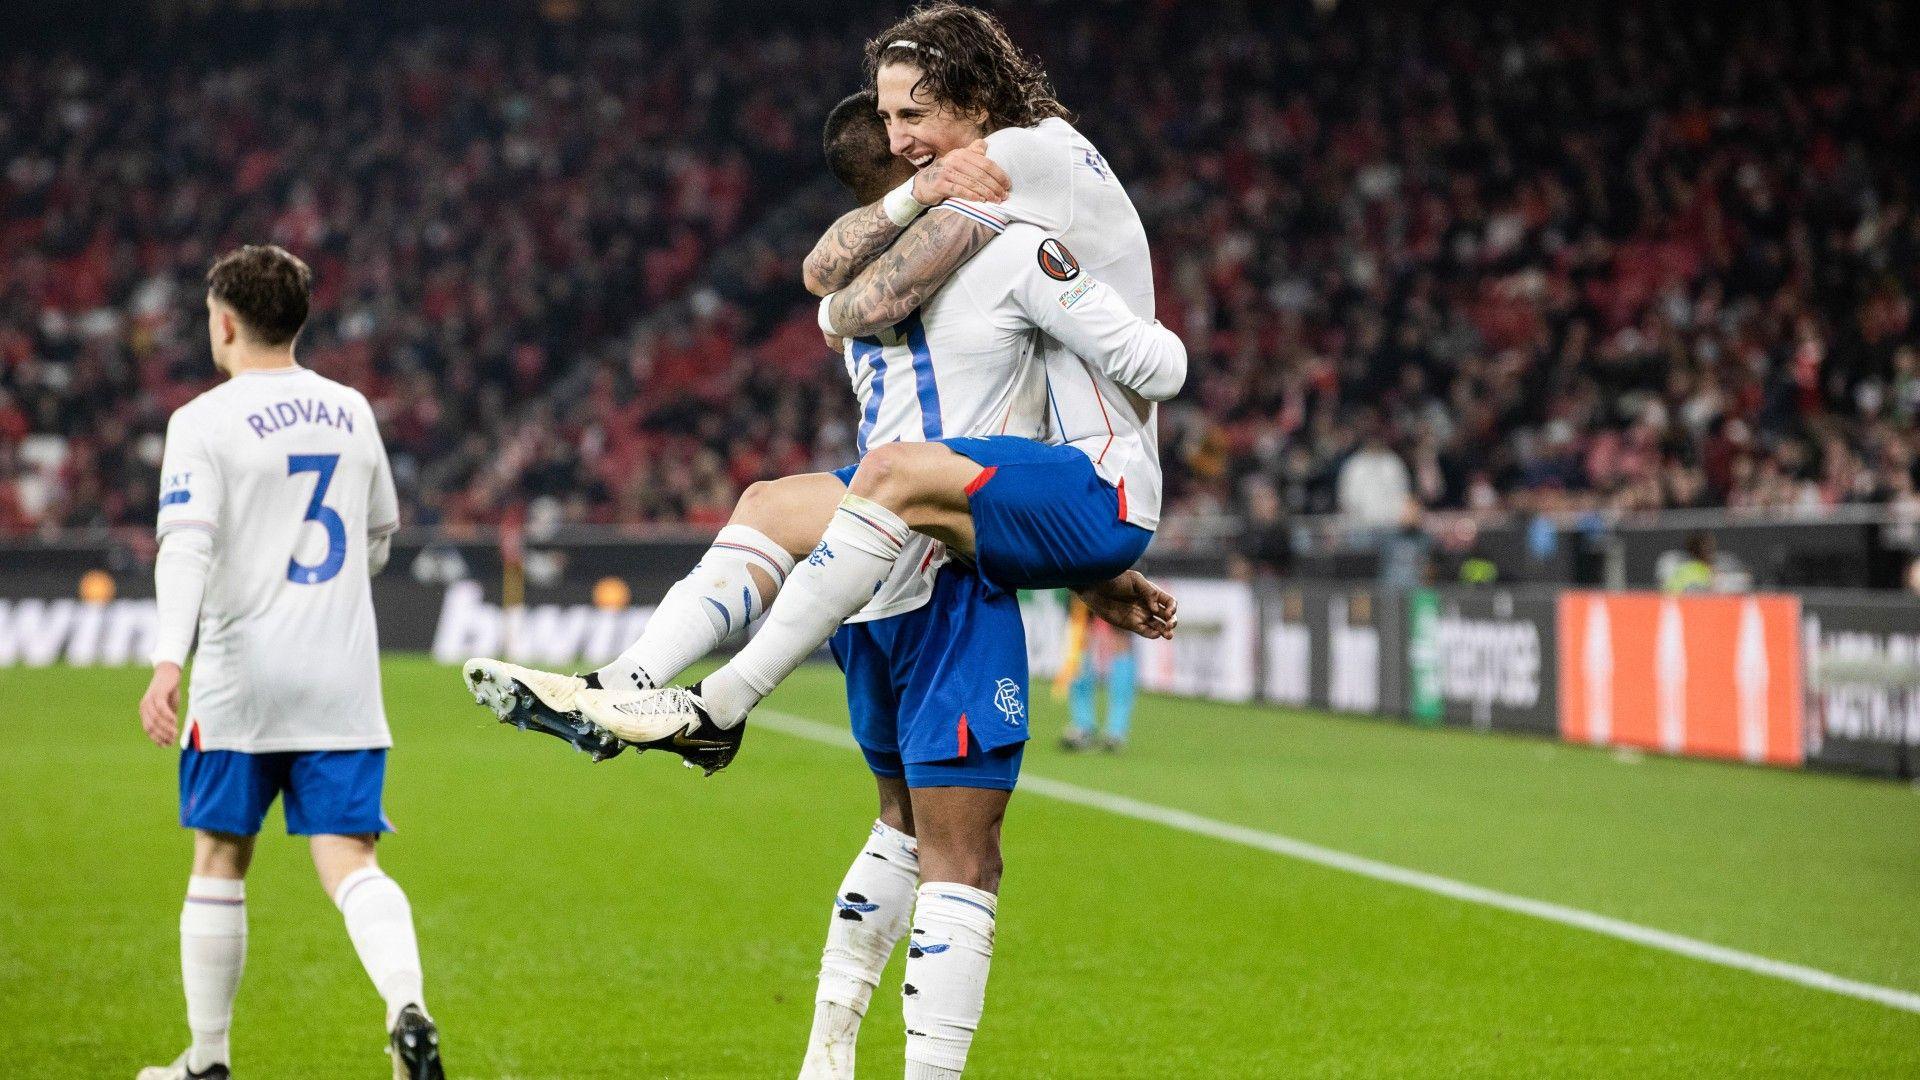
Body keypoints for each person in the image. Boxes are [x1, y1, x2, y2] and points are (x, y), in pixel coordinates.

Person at [136, 246, 444, 1080]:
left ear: (225, 322)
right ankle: (406, 1008)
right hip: (341, 679)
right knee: (352, 860)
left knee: (220, 857)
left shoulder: (202, 421)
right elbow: (378, 536)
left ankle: (206, 1063)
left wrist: (169, 660)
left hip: (241, 679)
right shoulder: (350, 410)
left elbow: (185, 550)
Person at [1059, 598, 1137, 752]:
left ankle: (1115, 730)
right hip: (1082, 577)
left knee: (1120, 636)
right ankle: (1084, 724)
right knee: (1080, 635)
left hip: (1118, 575)